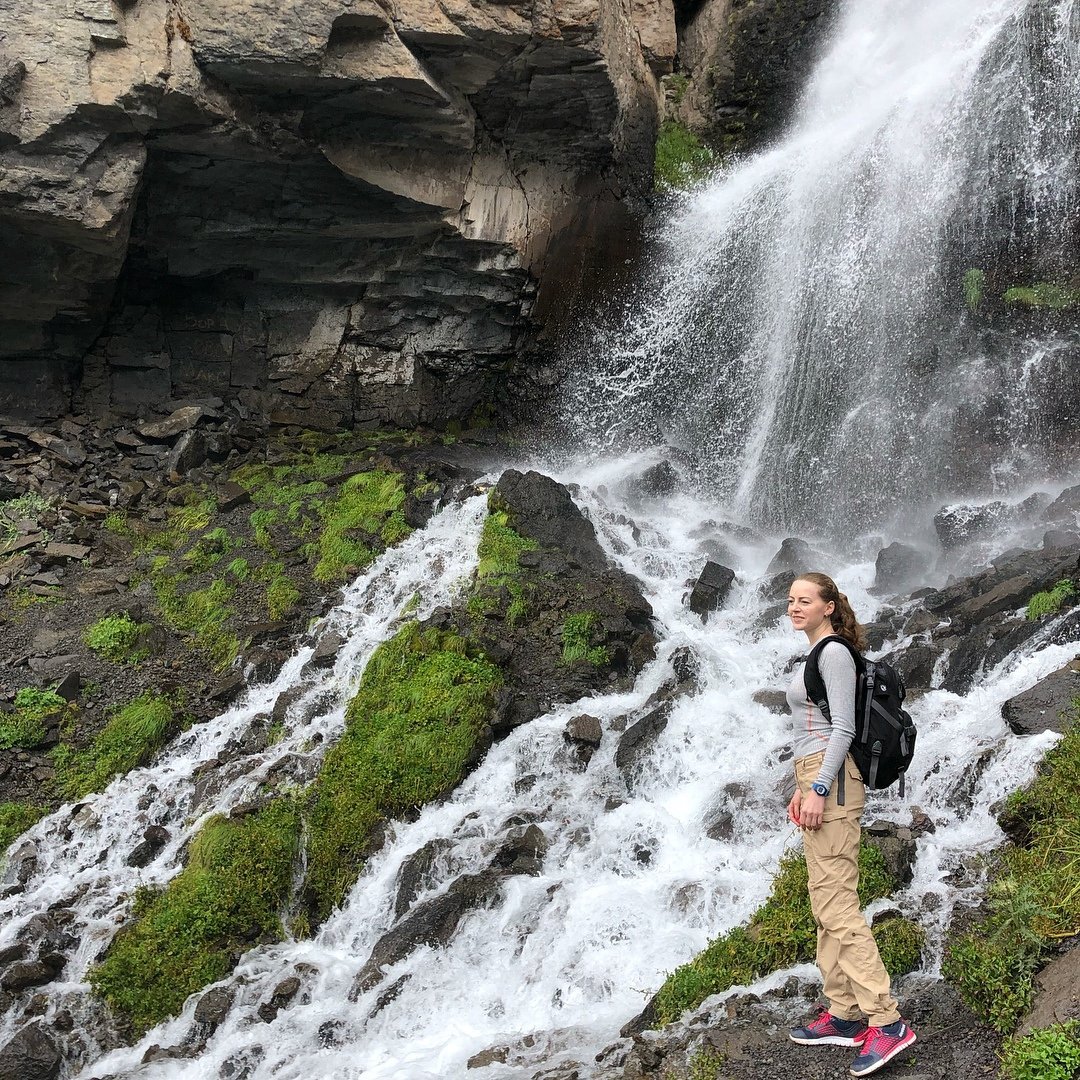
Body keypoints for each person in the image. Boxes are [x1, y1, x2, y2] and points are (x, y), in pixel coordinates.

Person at [784, 572, 917, 1078]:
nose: (795, 607)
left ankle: (886, 1021)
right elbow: (813, 729)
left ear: (829, 607)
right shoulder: (816, 653)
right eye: (791, 600)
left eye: (805, 600)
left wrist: (818, 788)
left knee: (839, 904)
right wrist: (803, 785)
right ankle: (842, 1011)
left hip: (834, 779)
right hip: (818, 774)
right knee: (825, 899)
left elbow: (841, 727)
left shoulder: (834, 653)